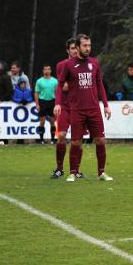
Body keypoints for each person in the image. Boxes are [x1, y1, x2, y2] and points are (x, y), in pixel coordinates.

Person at [54, 34, 112, 182]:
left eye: (89, 45)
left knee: (100, 140)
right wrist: (58, 103)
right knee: (75, 142)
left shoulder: (94, 63)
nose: (88, 48)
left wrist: (105, 105)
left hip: (93, 109)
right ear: (78, 47)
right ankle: (72, 172)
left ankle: (101, 173)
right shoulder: (68, 65)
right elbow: (60, 85)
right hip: (77, 109)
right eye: (85, 46)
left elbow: (99, 84)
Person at [51, 38, 78, 179]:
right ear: (67, 50)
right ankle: (59, 168)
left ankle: (76, 170)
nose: (75, 50)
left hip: (79, 107)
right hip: (65, 106)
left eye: (76, 48)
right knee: (61, 135)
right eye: (72, 48)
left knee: (76, 140)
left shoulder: (84, 65)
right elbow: (63, 86)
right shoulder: (61, 65)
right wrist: (58, 103)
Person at [34, 64, 58, 144]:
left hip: (52, 102)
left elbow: (58, 93)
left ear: (50, 71)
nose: (47, 71)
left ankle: (52, 139)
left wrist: (58, 103)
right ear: (43, 71)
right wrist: (37, 104)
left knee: (52, 121)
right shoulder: (39, 81)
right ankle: (41, 140)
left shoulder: (55, 81)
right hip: (42, 102)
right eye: (45, 69)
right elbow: (36, 93)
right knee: (42, 121)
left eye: (48, 69)